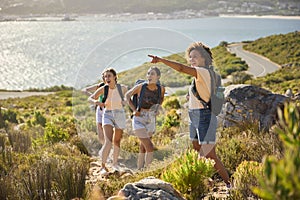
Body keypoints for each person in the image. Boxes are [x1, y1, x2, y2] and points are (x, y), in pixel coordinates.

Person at [148, 42, 231, 187]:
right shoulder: (198, 75)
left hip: (205, 116)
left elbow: (180, 68)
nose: (192, 60)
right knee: (197, 150)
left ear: (204, 59)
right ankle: (206, 181)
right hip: (194, 116)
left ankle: (230, 184)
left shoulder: (203, 72)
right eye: (190, 57)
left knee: (210, 155)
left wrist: (161, 60)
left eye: (196, 57)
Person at [88, 67, 127, 175]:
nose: (107, 78)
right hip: (107, 114)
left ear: (115, 77)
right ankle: (103, 166)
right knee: (108, 142)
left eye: (109, 76)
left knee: (117, 141)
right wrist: (96, 102)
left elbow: (129, 97)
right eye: (105, 76)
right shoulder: (104, 88)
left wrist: (126, 101)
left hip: (119, 114)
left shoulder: (122, 88)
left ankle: (115, 163)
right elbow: (90, 98)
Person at [125, 66, 165, 169]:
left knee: (143, 146)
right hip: (139, 117)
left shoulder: (161, 89)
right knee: (149, 146)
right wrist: (134, 110)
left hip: (151, 118)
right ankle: (149, 171)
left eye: (152, 74)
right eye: (148, 73)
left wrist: (156, 109)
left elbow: (161, 99)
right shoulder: (141, 87)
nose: (149, 76)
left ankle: (139, 169)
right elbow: (127, 95)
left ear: (158, 77)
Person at [82, 82, 105, 146]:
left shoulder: (112, 85)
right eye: (104, 76)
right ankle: (105, 146)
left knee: (108, 129)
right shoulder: (100, 85)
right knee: (100, 128)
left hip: (108, 109)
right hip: (100, 108)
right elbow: (84, 90)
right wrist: (95, 98)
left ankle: (109, 146)